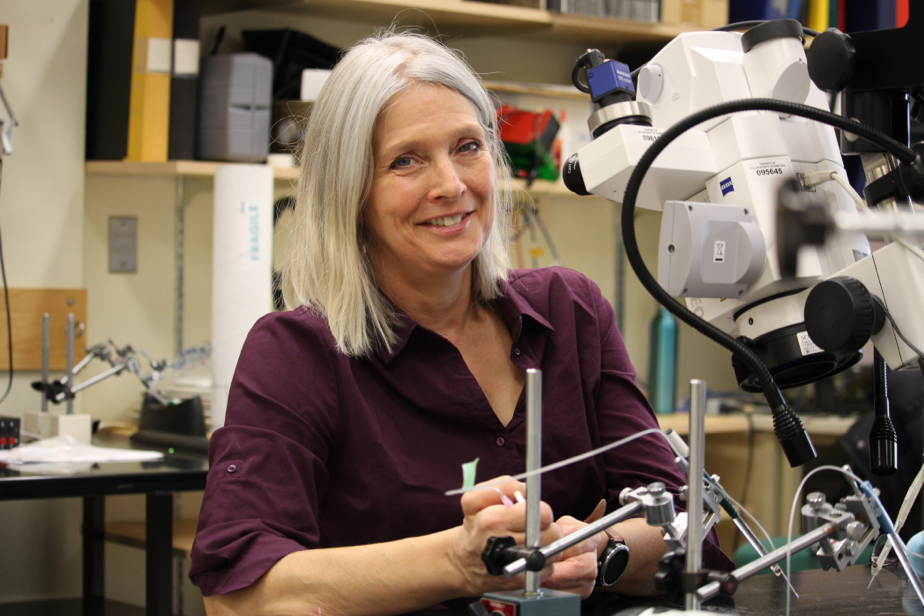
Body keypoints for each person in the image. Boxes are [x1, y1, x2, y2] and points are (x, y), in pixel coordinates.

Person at [189, 30, 732, 616]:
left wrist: (596, 549)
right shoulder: (296, 355)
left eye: (467, 147)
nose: (451, 185)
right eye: (406, 160)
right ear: (350, 193)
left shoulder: (569, 312)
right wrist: (457, 560)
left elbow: (686, 527)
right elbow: (237, 595)